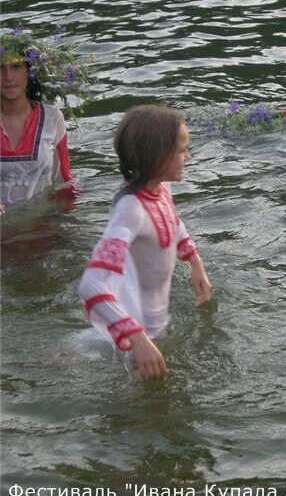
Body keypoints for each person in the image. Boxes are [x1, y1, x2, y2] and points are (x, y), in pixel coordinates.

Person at [78, 105, 212, 381]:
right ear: (157, 155)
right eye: (181, 150)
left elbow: (172, 223)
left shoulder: (161, 187)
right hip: (130, 345)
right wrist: (137, 339)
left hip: (153, 332)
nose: (187, 157)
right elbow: (91, 284)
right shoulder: (131, 209)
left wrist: (195, 261)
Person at [0, 31, 79, 211]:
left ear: (29, 72)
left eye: (16, 67)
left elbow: (63, 181)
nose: (8, 77)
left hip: (42, 229)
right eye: (0, 68)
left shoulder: (52, 118)